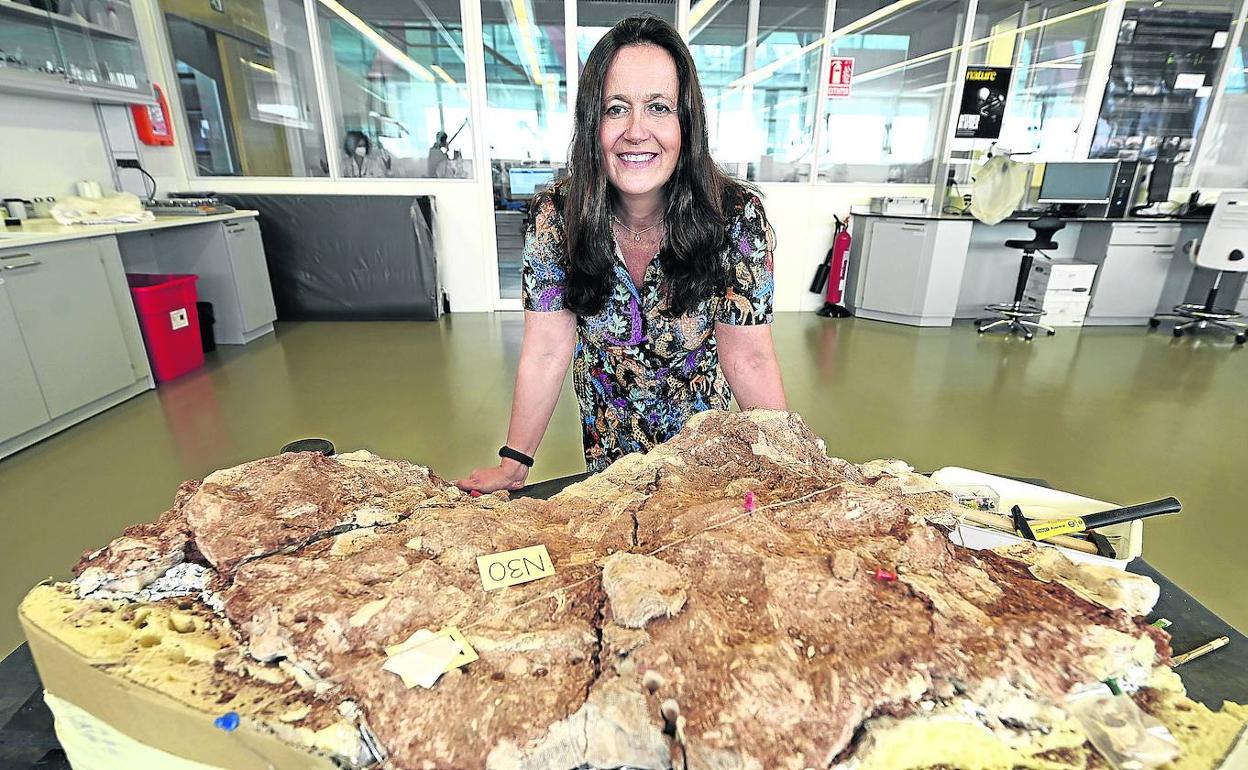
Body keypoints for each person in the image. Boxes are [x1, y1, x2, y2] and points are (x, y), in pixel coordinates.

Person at [456, 15, 786, 494]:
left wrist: (785, 462)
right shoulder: (556, 218)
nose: (636, 130)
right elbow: (547, 349)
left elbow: (750, 360)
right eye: (615, 108)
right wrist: (514, 463)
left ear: (685, 123)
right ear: (593, 124)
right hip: (606, 460)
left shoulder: (735, 219)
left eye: (658, 107)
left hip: (703, 461)